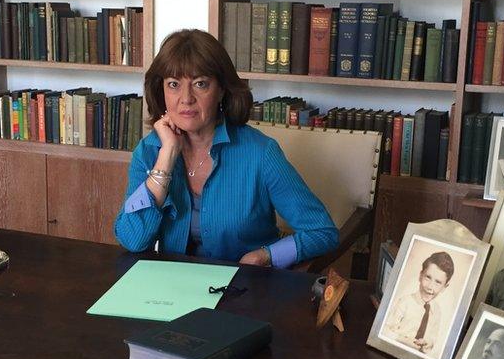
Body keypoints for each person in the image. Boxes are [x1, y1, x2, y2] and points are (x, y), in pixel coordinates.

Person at [114, 29, 337, 268]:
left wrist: (266, 255)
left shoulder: (260, 153)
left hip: (243, 290)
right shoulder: (149, 152)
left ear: (221, 90)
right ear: (161, 91)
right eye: (174, 84)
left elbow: (322, 232)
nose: (186, 98)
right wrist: (166, 157)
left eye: (200, 84)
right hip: (172, 290)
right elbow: (132, 240)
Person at [381, 251, 455, 359]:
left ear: (445, 287)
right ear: (420, 276)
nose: (430, 286)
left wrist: (427, 344)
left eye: (438, 282)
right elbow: (384, 330)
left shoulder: (437, 311)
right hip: (392, 354)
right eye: (428, 277)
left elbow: (432, 339)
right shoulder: (405, 302)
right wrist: (404, 341)